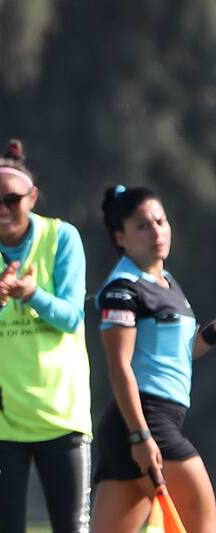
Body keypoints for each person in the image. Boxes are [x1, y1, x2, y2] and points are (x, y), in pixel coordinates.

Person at [0, 140, 92, 532]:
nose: (3, 210)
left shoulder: (63, 239)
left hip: (61, 413)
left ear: (33, 197)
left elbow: (72, 318)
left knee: (72, 526)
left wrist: (33, 294)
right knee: (6, 527)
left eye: (12, 199)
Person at [90, 185, 216, 532]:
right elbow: (120, 368)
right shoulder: (123, 289)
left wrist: (211, 335)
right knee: (203, 525)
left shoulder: (167, 282)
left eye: (160, 221)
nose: (156, 231)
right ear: (121, 237)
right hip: (146, 424)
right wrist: (140, 437)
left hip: (146, 426)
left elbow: (177, 357)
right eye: (142, 226)